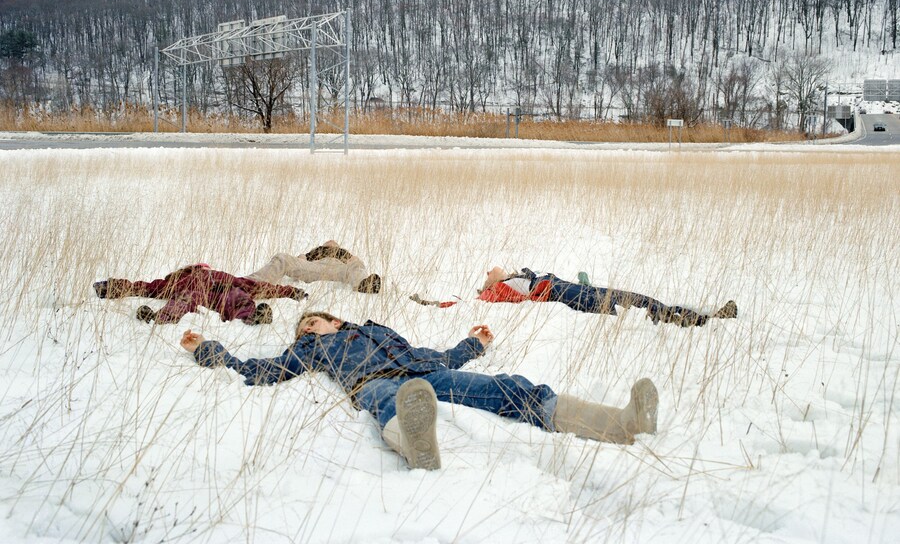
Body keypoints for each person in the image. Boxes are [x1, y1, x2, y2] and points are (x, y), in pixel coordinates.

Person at [180, 310, 659, 470]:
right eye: (303, 327)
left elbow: (437, 356)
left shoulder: (375, 329)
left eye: (313, 320)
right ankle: (415, 444)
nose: (308, 328)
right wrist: (208, 349)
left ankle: (621, 424)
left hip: (425, 371)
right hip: (377, 384)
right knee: (390, 402)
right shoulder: (311, 351)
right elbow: (260, 369)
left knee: (507, 388)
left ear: (334, 318)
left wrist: (473, 344)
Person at [413, 266, 737, 327]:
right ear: (487, 288)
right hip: (561, 293)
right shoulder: (493, 294)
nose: (489, 270)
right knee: (627, 302)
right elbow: (459, 304)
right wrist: (427, 302)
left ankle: (695, 317)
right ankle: (697, 320)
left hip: (564, 288)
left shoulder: (513, 281)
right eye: (486, 276)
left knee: (630, 299)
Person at [93, 263, 308, 325]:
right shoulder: (178, 281)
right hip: (198, 291)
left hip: (225, 288)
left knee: (239, 295)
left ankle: (254, 316)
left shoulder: (221, 275)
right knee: (187, 298)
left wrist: (290, 291)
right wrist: (113, 287)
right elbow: (144, 287)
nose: (202, 267)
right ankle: (160, 318)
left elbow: (256, 287)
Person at [247, 241, 382, 294]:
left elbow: (357, 264)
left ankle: (364, 285)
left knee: (356, 266)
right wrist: (302, 257)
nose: (331, 244)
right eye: (328, 244)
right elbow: (300, 261)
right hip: (315, 267)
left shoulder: (344, 254)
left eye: (334, 244)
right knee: (282, 257)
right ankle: (251, 283)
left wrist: (354, 261)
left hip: (340, 269)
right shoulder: (315, 252)